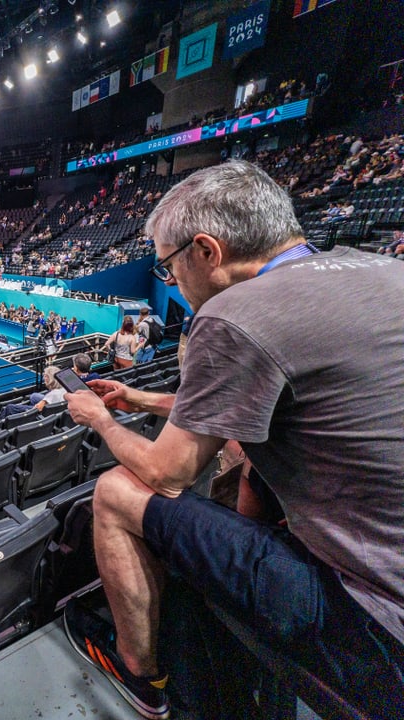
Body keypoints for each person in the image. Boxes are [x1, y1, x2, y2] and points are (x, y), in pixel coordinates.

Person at [63, 160, 404, 719]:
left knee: (116, 492)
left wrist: (99, 418)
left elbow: (167, 474)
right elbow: (275, 404)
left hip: (374, 623)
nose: (170, 280)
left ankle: (139, 674)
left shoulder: (233, 313)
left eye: (168, 267)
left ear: (206, 251)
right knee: (250, 472)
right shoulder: (380, 269)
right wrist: (143, 398)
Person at [0, 365, 65, 418]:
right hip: (54, 406)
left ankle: (1, 423)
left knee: (10, 407)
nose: (43, 378)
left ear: (49, 379)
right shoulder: (65, 388)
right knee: (34, 396)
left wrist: (23, 408)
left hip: (41, 414)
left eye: (45, 376)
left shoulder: (52, 395)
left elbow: (34, 410)